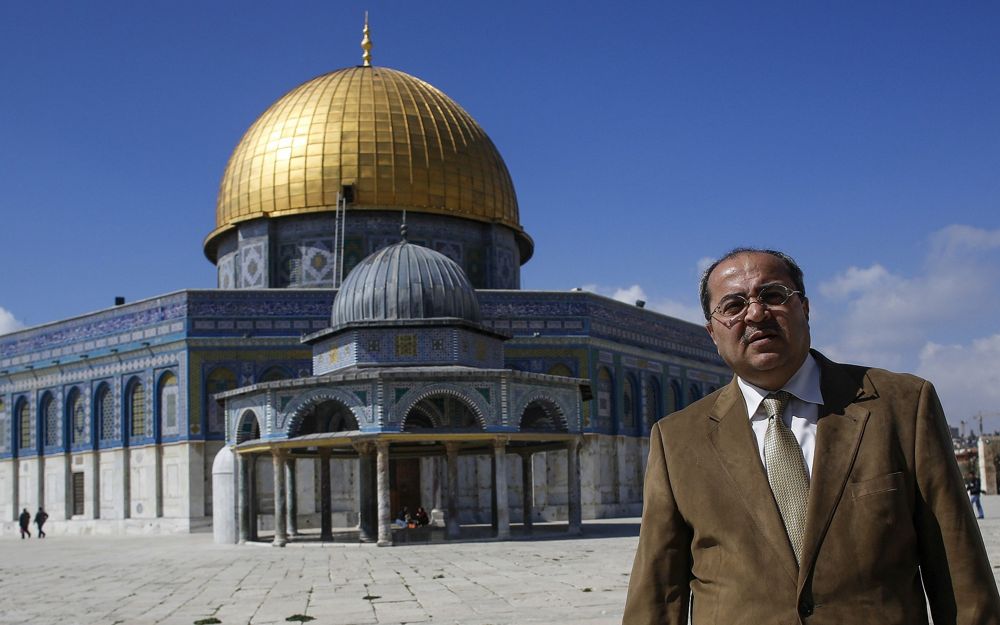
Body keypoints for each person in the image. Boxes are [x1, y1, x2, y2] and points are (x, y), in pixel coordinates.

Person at [623, 248, 1000, 624]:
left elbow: (960, 575)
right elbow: (657, 594)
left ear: (804, 307)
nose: (755, 314)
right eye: (733, 306)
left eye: (772, 296)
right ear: (712, 332)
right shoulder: (678, 439)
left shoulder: (900, 407)